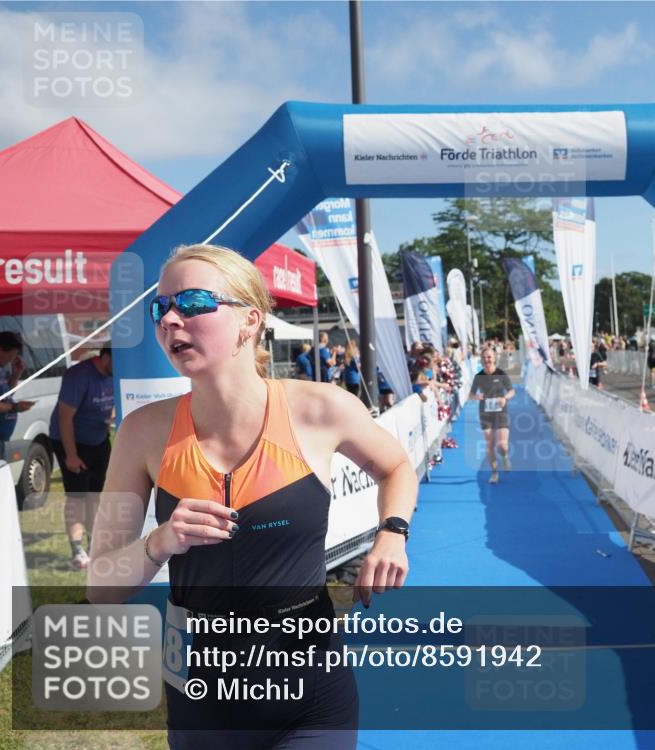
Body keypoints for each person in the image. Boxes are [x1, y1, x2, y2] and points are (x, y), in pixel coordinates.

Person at [87, 244, 417, 749]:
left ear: (249, 321)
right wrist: (159, 542)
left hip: (310, 691)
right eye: (161, 308)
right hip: (203, 699)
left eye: (193, 303)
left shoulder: (320, 409)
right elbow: (100, 587)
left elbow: (395, 466)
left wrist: (391, 534)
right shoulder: (143, 432)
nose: (171, 320)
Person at [49, 345, 114, 569]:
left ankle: (94, 544)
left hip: (99, 441)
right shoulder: (79, 375)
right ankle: (77, 550)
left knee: (95, 496)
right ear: (105, 357)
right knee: (77, 497)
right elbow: (64, 418)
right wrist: (71, 455)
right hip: (71, 442)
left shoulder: (115, 373)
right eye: (117, 362)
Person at [469, 347, 515, 484]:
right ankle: (494, 473)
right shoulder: (479, 377)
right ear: (481, 360)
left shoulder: (501, 374)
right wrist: (477, 396)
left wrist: (505, 398)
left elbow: (512, 391)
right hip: (485, 413)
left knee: (502, 445)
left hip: (501, 412)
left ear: (494, 358)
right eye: (484, 358)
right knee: (490, 444)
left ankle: (505, 456)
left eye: (489, 357)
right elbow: (470, 395)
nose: (487, 360)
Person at [0, 331, 34, 462]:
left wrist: (16, 374)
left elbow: (5, 396)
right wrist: (14, 407)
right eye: (10, 356)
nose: (11, 360)